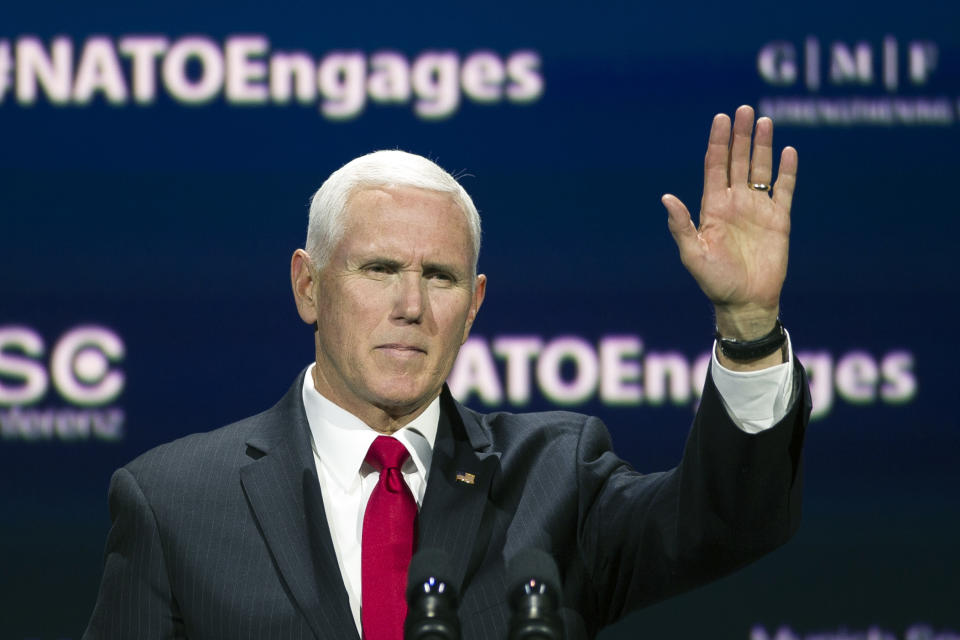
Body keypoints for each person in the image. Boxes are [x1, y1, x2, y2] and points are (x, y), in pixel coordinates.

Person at [83, 105, 809, 640]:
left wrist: (747, 327)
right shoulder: (174, 503)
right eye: (379, 269)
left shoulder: (556, 476)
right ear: (309, 286)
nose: (411, 305)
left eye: (440, 277)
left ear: (474, 304)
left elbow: (729, 524)